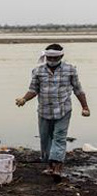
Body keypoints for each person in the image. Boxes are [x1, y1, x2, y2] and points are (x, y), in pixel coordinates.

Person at [15, 44, 89, 177]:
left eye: (55, 58)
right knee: (45, 139)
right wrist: (24, 99)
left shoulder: (70, 70)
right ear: (46, 56)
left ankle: (58, 168)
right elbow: (33, 90)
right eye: (49, 58)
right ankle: (49, 166)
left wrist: (85, 107)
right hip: (44, 111)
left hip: (63, 110)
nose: (52, 60)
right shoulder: (38, 71)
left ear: (61, 56)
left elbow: (78, 90)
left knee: (59, 138)